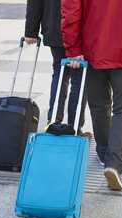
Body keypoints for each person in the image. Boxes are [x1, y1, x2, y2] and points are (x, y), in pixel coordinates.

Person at [61, 0, 122, 190]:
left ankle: (104, 153)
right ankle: (114, 165)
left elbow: (70, 9)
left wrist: (73, 48)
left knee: (99, 103)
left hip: (94, 40)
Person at [24, 0, 87, 135]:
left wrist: (31, 30)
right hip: (79, 28)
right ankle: (74, 126)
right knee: (79, 79)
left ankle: (54, 120)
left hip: (54, 25)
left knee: (60, 72)